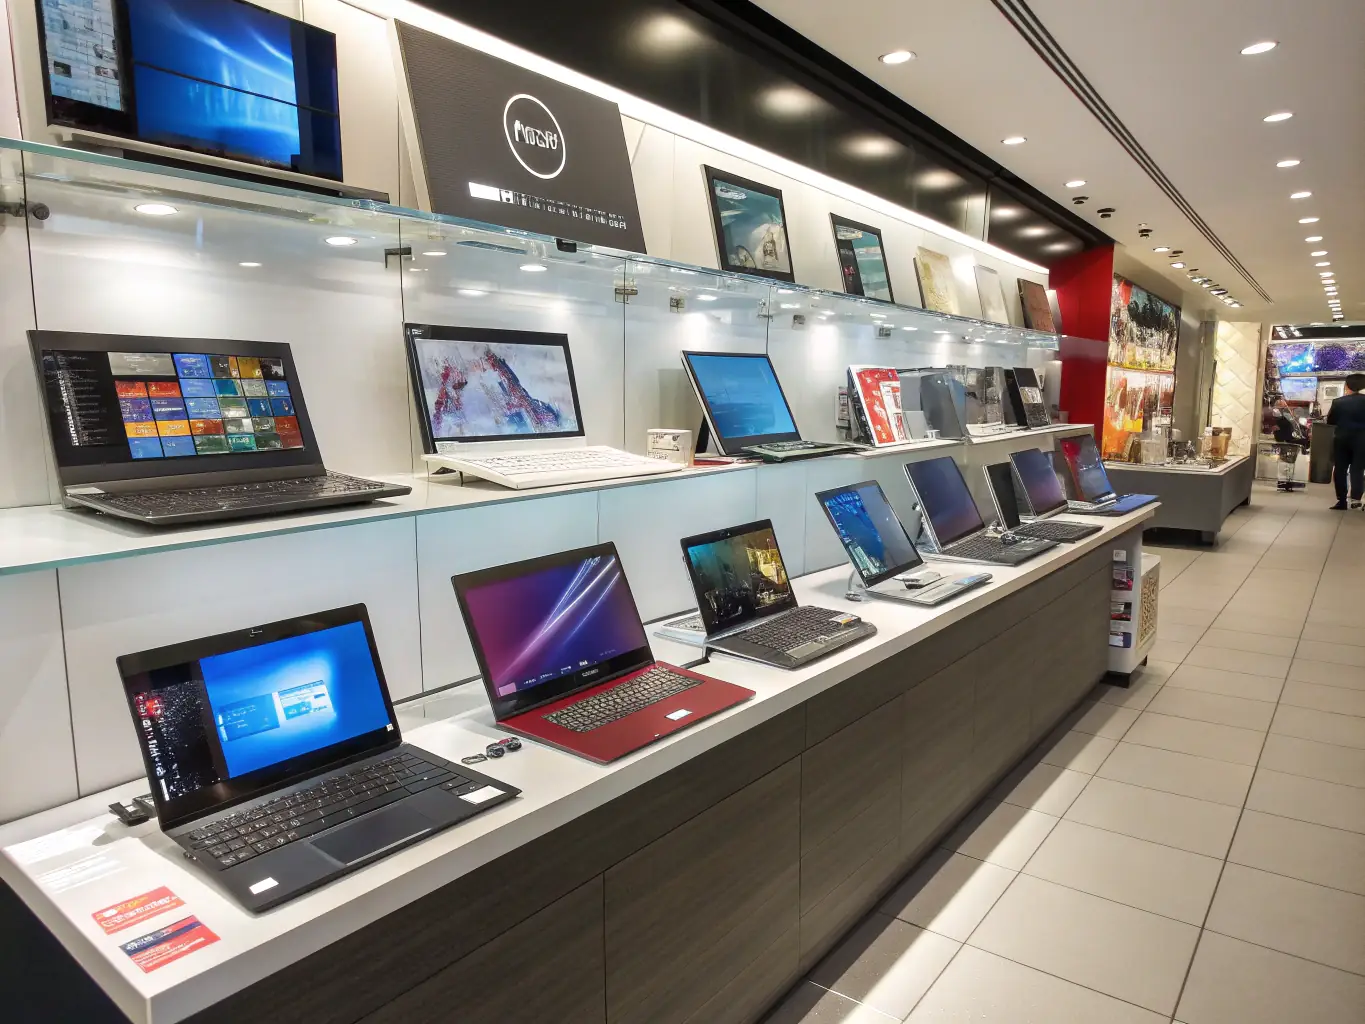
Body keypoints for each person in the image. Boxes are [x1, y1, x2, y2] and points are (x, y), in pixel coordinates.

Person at [1327, 373, 1365, 509]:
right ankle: (1356, 499)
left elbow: (1330, 420)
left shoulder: (1338, 402)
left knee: (1340, 469)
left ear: (1347, 385)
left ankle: (1342, 500)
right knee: (1358, 469)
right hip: (1362, 440)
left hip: (1342, 439)